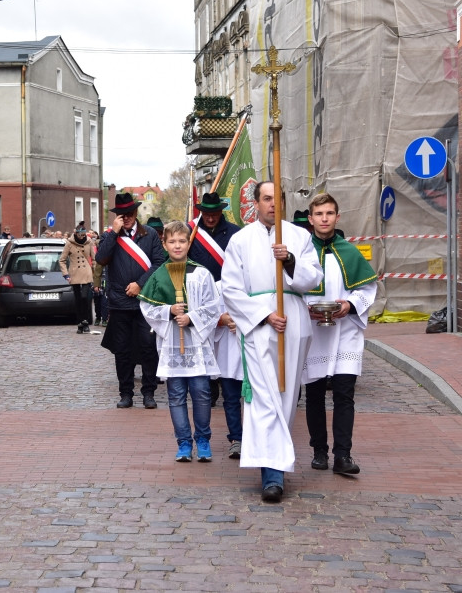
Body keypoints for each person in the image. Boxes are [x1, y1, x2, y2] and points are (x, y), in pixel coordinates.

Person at [221, 181, 324, 503]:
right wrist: (264, 315)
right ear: (256, 203)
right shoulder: (240, 240)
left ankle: (274, 465)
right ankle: (272, 475)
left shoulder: (299, 236)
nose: (271, 205)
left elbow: (314, 278)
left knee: (285, 397)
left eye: (276, 199)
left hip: (293, 321)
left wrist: (290, 260)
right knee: (263, 399)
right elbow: (230, 289)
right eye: (265, 199)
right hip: (258, 327)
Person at [302, 193, 379, 476]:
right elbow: (292, 289)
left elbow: (367, 289)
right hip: (313, 332)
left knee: (345, 394)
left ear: (337, 217)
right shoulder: (302, 253)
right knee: (314, 393)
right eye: (319, 214)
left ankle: (343, 454)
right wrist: (305, 309)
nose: (324, 218)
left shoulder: (349, 250)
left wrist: (349, 305)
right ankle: (319, 451)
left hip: (345, 330)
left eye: (329, 213)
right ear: (311, 219)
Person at [139, 221, 222, 462]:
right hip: (172, 344)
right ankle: (184, 442)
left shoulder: (202, 273)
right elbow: (147, 307)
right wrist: (169, 311)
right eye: (172, 241)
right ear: (164, 244)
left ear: (189, 243)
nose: (177, 245)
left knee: (202, 393)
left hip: (196, 344)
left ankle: (203, 440)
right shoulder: (158, 276)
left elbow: (213, 306)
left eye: (182, 241)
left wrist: (192, 317)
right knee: (175, 395)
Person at [96, 192, 167, 409]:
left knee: (147, 348)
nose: (125, 217)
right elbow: (101, 259)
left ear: (136, 212)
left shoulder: (150, 235)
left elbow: (159, 263)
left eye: (128, 213)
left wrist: (140, 284)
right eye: (121, 214)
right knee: (122, 350)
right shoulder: (111, 236)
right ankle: (125, 393)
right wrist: (114, 234)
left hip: (144, 301)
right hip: (118, 302)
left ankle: (148, 392)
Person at [187, 191, 243, 460]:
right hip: (209, 303)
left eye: (214, 212)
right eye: (205, 212)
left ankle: (253, 437)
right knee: (225, 385)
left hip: (240, 300)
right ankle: (236, 437)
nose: (210, 217)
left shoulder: (236, 234)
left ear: (221, 211)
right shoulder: (192, 234)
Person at [59, 226, 95, 333]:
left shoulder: (89, 243)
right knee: (78, 299)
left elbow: (94, 259)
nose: (82, 236)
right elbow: (62, 260)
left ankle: (85, 321)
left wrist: (93, 273)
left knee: (85, 298)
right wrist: (66, 274)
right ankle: (80, 323)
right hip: (74, 274)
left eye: (83, 234)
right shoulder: (69, 243)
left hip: (86, 273)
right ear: (76, 234)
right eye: (80, 234)